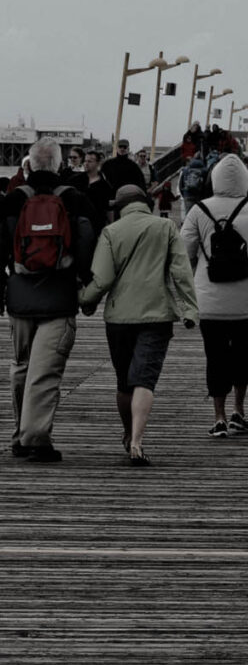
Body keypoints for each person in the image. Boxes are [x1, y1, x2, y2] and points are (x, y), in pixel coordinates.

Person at [81, 183, 198, 463]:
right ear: (147, 203)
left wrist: (85, 301)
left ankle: (127, 431)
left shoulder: (111, 232)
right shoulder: (165, 228)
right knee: (144, 379)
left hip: (119, 318)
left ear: (120, 207)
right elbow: (181, 272)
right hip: (156, 316)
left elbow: (103, 278)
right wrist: (190, 310)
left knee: (124, 382)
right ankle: (137, 441)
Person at [5, 139, 95, 462]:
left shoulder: (14, 199)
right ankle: (35, 438)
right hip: (59, 295)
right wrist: (85, 280)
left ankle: (19, 434)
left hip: (19, 297)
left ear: (29, 164)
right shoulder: (73, 199)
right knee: (45, 370)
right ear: (59, 165)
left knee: (21, 367)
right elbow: (87, 237)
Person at [179, 150, 248, 436]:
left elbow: (185, 253)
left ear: (215, 178)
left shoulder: (199, 210)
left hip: (208, 296)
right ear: (245, 179)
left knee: (215, 355)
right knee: (243, 353)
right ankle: (239, 411)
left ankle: (218, 417)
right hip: (245, 298)